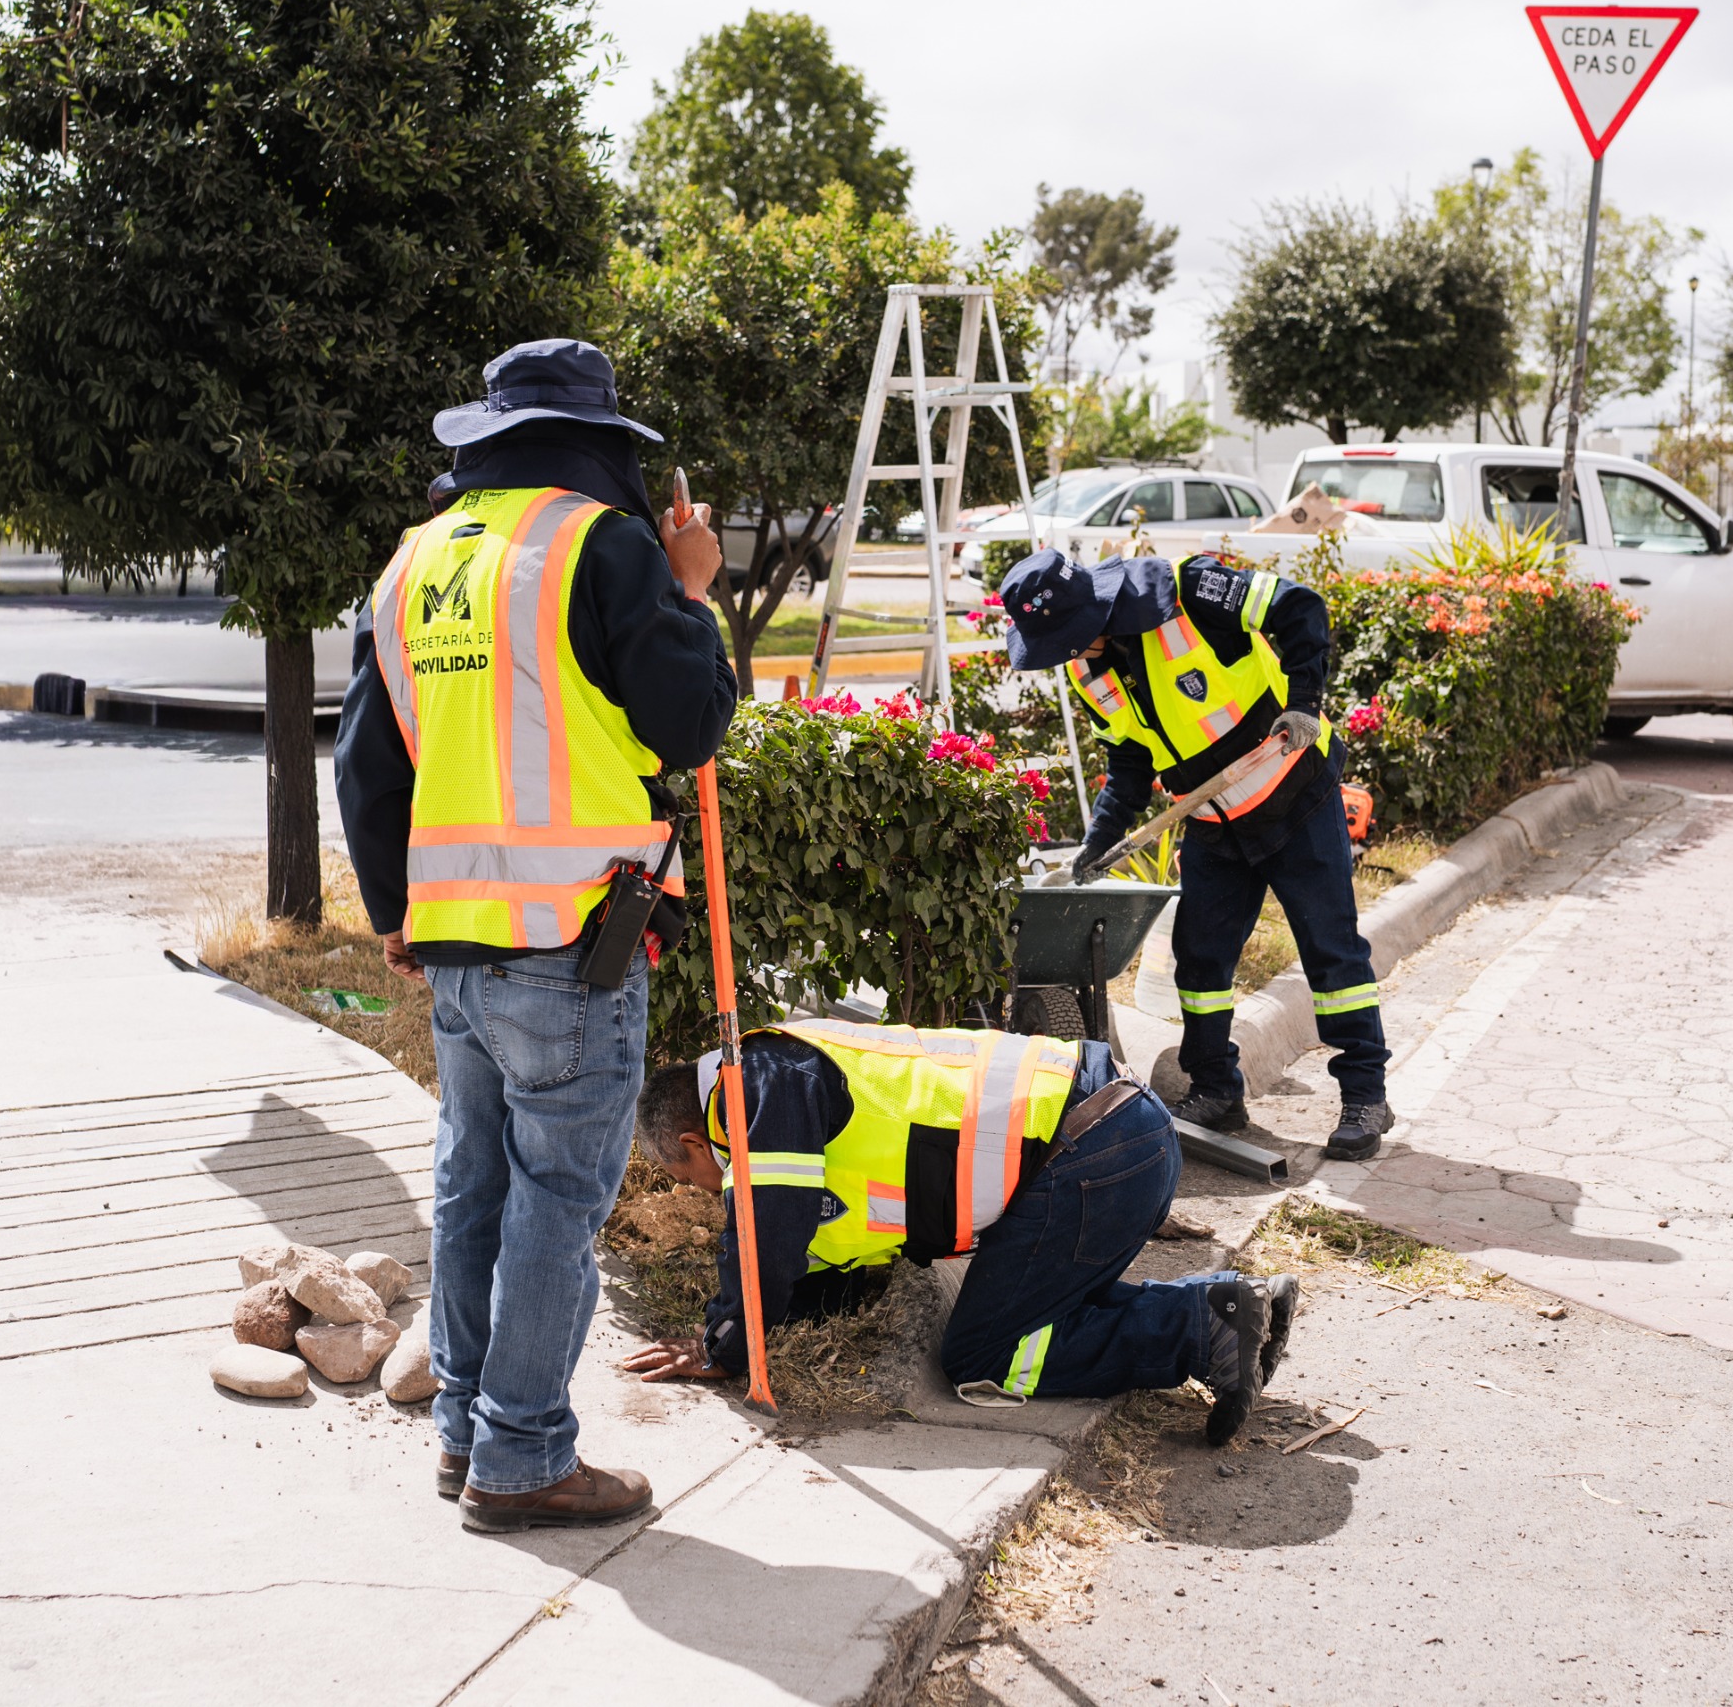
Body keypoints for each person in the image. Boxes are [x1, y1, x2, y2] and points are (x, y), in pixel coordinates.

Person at [335, 339, 736, 1533]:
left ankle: (467, 1433)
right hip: (573, 937)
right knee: (555, 1207)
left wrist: (394, 912)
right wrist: (692, 591)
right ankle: (520, 1458)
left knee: (472, 1188)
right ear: (600, 446)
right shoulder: (600, 546)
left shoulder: (413, 563)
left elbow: (364, 760)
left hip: (456, 941)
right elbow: (690, 724)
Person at [619, 1020, 1296, 1446]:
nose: (707, 1192)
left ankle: (1195, 1329)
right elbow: (808, 1266)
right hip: (1113, 1141)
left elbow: (765, 1232)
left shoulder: (758, 1087)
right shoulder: (786, 1077)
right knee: (1031, 1316)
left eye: (690, 1178)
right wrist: (759, 1320)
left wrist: (723, 1344)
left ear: (692, 1141)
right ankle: (1228, 1308)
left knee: (986, 1356)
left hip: (1095, 1153)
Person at [998, 550, 1392, 1160]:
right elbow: (1130, 762)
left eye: (1066, 641)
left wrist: (1304, 702)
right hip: (1214, 822)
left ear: (1092, 613)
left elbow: (1300, 608)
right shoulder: (1089, 673)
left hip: (1296, 798)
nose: (1065, 655)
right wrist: (1102, 838)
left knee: (1331, 951)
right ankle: (1216, 1090)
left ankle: (1365, 1096)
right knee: (1200, 961)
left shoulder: (1188, 591)